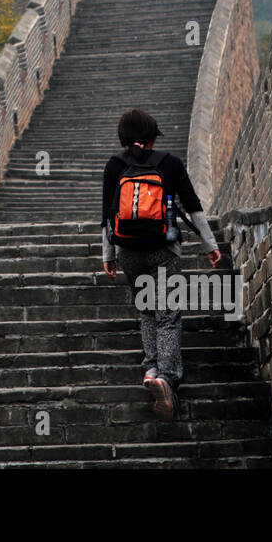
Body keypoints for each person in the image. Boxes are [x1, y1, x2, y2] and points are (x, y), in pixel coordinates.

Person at [100, 109, 222, 421]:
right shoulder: (170, 163)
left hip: (128, 251)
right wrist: (210, 245)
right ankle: (166, 377)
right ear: (152, 136)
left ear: (124, 137)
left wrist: (108, 255)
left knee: (146, 311)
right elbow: (193, 207)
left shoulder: (115, 166)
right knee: (168, 315)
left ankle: (151, 367)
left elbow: (107, 216)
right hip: (163, 249)